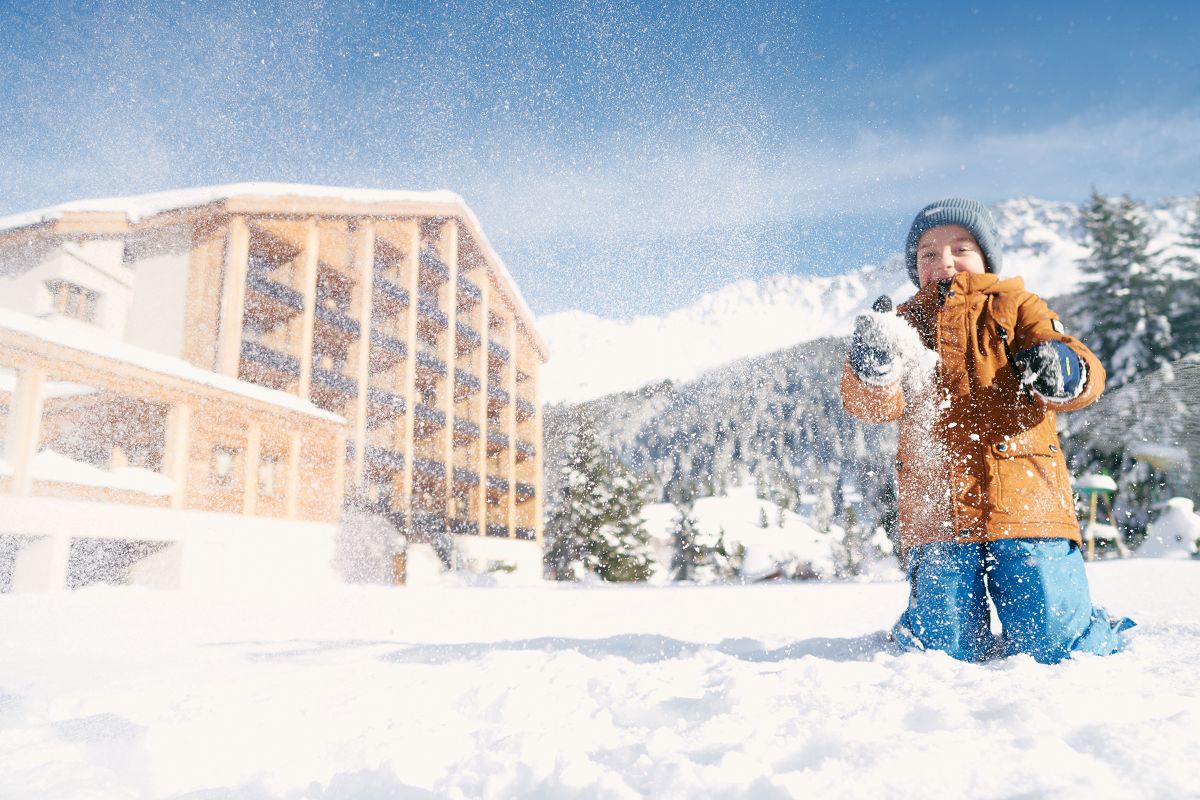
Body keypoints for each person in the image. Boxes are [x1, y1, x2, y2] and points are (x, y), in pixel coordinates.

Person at [841, 197, 1133, 664]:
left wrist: (1062, 369)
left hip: (1026, 502)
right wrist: (872, 371)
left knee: (1054, 645)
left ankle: (1092, 627)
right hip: (939, 509)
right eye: (928, 254)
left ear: (986, 257)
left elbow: (1080, 368)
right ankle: (920, 632)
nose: (945, 261)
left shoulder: (1016, 306)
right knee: (942, 651)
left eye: (961, 248)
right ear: (915, 267)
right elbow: (874, 407)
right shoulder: (901, 323)